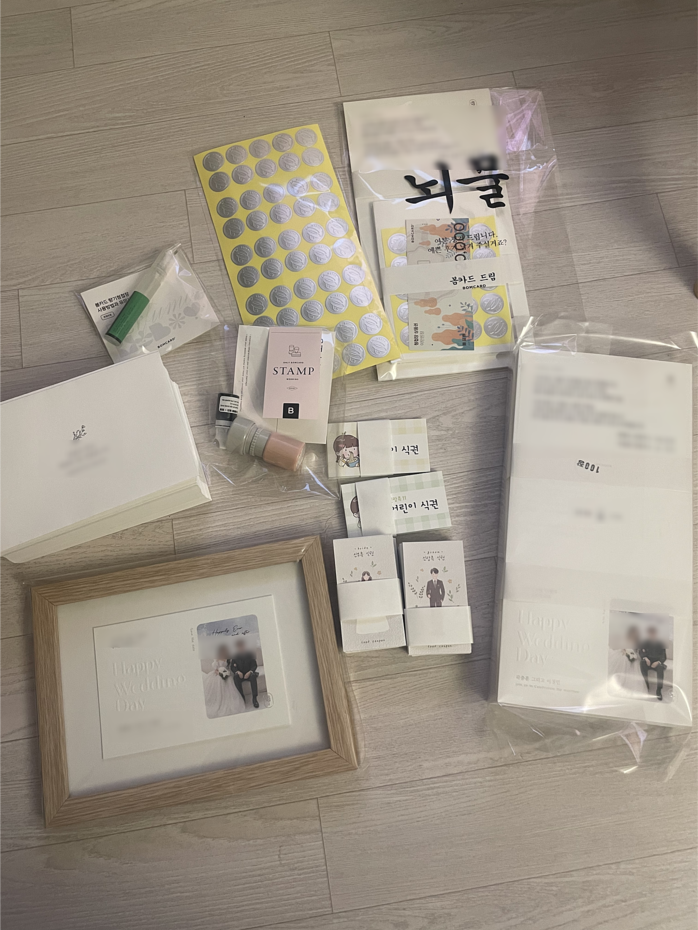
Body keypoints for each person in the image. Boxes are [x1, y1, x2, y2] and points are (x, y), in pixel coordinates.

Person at [202, 644, 245, 718]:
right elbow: (215, 667)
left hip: (226, 673)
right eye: (223, 650)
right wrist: (217, 671)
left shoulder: (228, 658)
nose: (224, 652)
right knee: (218, 680)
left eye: (225, 650)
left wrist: (226, 673)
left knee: (227, 681)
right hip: (217, 673)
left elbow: (229, 668)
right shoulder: (217, 658)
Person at [608, 625, 645, 695]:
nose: (634, 634)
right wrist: (625, 651)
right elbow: (622, 647)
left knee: (633, 663)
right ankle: (619, 681)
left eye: (636, 633)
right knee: (623, 659)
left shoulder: (638, 642)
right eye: (634, 632)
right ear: (631, 632)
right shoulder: (626, 638)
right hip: (624, 653)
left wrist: (634, 655)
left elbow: (637, 652)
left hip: (632, 655)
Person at [229, 638, 260, 708]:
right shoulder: (235, 656)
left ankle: (254, 698)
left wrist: (249, 672)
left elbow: (254, 665)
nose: (241, 648)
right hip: (240, 675)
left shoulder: (250, 654)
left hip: (249, 674)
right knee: (235, 677)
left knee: (253, 676)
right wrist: (237, 672)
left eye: (242, 646)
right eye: (239, 647)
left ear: (244, 646)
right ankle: (242, 697)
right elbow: (232, 667)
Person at [639, 627, 668, 701]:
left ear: (656, 634)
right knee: (642, 663)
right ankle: (646, 685)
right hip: (648, 662)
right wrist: (645, 658)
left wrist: (658, 662)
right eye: (650, 634)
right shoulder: (645, 642)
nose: (652, 635)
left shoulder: (660, 643)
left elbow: (664, 656)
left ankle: (658, 690)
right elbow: (641, 652)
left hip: (657, 662)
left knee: (660, 667)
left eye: (653, 633)